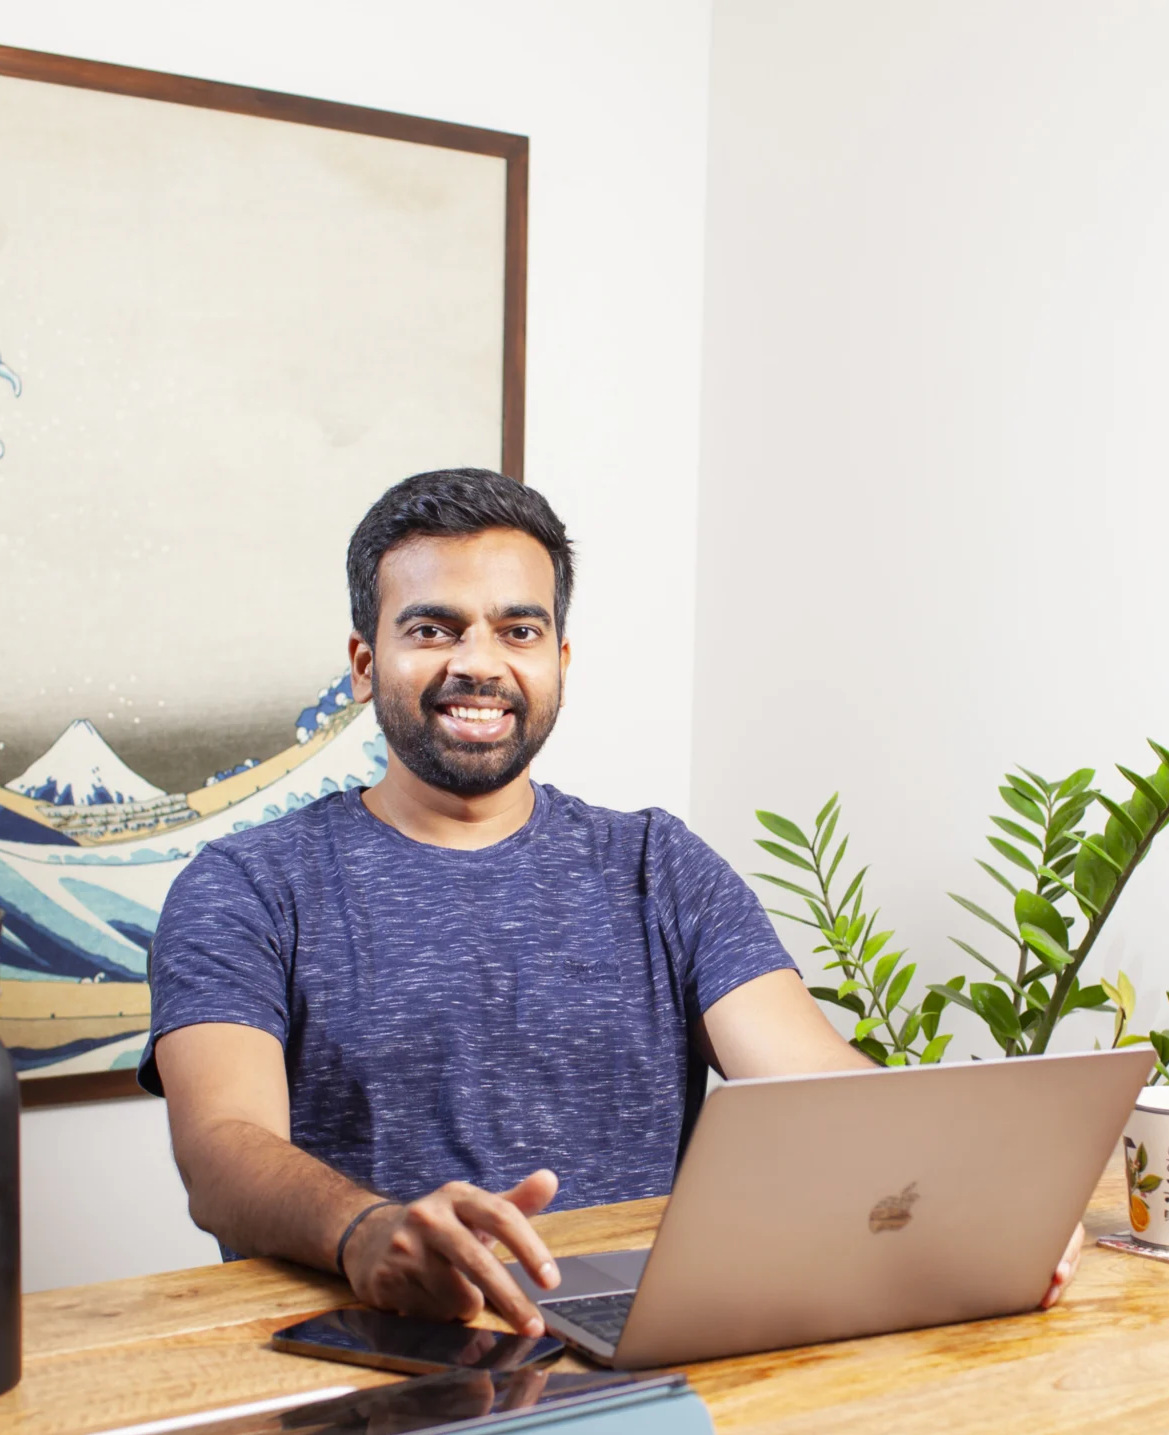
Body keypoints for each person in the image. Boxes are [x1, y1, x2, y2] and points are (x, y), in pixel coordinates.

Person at [141, 469, 1082, 1337]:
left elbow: (814, 1080)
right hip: (369, 1357)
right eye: (433, 629)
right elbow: (223, 1153)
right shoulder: (247, 886)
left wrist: (981, 1193)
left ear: (558, 656)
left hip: (645, 1348)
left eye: (519, 630)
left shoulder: (655, 863)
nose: (481, 663)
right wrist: (364, 1231)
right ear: (362, 661)